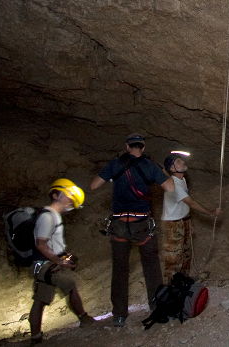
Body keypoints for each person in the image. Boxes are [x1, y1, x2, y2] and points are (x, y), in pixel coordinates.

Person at [90, 133, 175, 327]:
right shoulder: (149, 165)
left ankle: (119, 314)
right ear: (143, 148)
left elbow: (94, 185)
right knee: (151, 267)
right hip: (141, 224)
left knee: (120, 270)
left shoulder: (115, 164)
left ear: (127, 147)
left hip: (119, 225)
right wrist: (162, 172)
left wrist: (112, 171)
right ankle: (157, 308)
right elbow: (170, 188)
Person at [29, 178, 94, 344]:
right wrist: (59, 261)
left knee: (40, 299)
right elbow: (41, 244)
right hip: (45, 264)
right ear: (56, 195)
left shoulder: (52, 216)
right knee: (70, 284)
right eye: (68, 196)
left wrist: (63, 255)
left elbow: (48, 243)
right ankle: (84, 318)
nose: (70, 200)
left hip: (42, 264)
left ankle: (35, 337)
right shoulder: (48, 217)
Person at [160, 151, 221, 280]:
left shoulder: (181, 180)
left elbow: (184, 206)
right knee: (173, 259)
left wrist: (189, 222)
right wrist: (211, 212)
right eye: (178, 161)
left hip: (183, 220)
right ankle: (170, 289)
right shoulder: (175, 184)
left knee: (186, 254)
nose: (182, 162)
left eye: (181, 160)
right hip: (173, 224)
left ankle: (183, 283)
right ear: (172, 168)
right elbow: (191, 203)